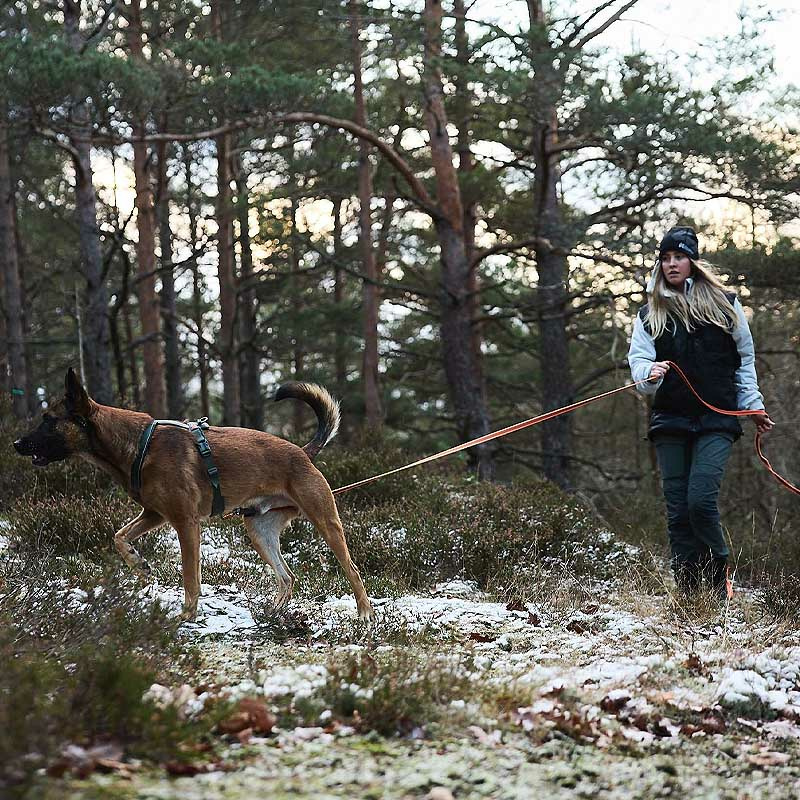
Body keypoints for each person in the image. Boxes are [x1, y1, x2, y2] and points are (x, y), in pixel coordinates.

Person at [628, 226, 774, 600]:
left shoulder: (727, 304)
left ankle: (717, 574)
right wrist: (650, 373)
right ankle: (690, 595)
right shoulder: (649, 313)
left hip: (717, 419)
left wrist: (752, 405)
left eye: (678, 257)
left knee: (700, 500)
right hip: (670, 421)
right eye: (665, 258)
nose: (671, 264)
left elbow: (745, 359)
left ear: (692, 261)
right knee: (677, 513)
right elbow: (639, 366)